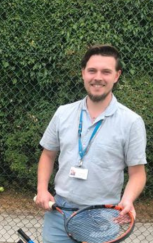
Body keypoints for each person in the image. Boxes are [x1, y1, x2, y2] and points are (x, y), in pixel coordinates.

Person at [35, 44, 147, 243]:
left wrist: (127, 200)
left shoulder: (132, 122)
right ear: (83, 73)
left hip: (103, 218)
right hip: (59, 213)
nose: (98, 77)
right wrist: (42, 189)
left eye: (106, 71)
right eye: (92, 70)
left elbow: (137, 173)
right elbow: (47, 154)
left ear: (116, 75)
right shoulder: (63, 113)